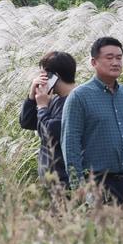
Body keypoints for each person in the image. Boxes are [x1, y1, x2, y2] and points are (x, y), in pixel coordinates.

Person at [61, 37, 123, 206]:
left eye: (119, 57)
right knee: (101, 232)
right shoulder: (79, 97)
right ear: (94, 62)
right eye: (109, 58)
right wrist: (79, 187)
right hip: (95, 184)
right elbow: (70, 145)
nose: (115, 62)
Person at [18, 51, 77, 188]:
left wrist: (42, 107)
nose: (40, 79)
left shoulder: (73, 102)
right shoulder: (54, 99)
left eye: (43, 75)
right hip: (53, 183)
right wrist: (32, 96)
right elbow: (27, 122)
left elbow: (52, 134)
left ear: (54, 77)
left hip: (65, 183)